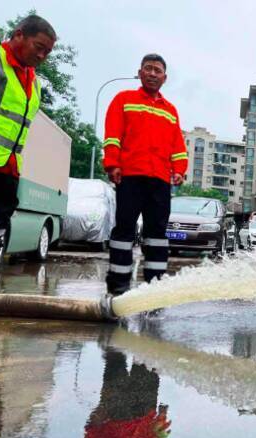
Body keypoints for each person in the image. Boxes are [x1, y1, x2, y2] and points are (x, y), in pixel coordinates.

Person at [103, 53, 187, 295]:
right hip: (130, 176)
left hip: (160, 180)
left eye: (157, 70)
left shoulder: (170, 110)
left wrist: (179, 170)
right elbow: (112, 134)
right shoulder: (124, 99)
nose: (152, 73)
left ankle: (154, 289)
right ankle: (118, 287)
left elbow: (177, 146)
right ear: (140, 72)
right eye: (148, 69)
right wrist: (112, 164)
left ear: (165, 77)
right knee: (124, 229)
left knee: (157, 234)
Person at [0, 15, 55, 256]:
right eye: (39, 47)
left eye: (47, 52)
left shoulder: (34, 83)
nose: (41, 56)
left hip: (8, 168)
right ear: (18, 35)